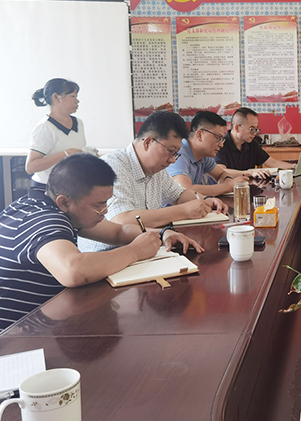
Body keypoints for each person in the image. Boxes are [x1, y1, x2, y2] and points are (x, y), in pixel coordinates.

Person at [0, 153, 202, 332]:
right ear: (64, 202)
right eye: (99, 205)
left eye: (107, 202)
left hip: (41, 318)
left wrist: (163, 233)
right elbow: (74, 271)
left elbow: (118, 231)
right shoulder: (46, 220)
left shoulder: (46, 205)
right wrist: (135, 251)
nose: (105, 211)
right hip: (15, 335)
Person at [78, 111, 227, 252]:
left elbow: (178, 195)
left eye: (176, 154)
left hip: (145, 249)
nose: (173, 160)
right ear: (148, 142)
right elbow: (121, 221)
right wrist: (183, 211)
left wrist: (205, 200)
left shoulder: (156, 168)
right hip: (107, 254)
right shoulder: (113, 166)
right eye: (171, 151)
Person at [166, 111, 255, 196]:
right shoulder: (179, 153)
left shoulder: (203, 156)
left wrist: (228, 181)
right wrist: (228, 186)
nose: (221, 145)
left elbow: (221, 174)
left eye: (222, 139)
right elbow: (185, 190)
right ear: (199, 135)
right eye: (218, 138)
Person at [26, 78, 88, 191]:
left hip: (72, 185)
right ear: (56, 97)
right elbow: (31, 167)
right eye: (73, 96)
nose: (77, 101)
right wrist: (65, 154)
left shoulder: (78, 122)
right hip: (47, 188)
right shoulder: (45, 128)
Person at [215, 107, 293, 174]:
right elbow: (221, 171)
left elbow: (272, 162)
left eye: (256, 129)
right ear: (237, 128)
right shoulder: (220, 144)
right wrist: (249, 173)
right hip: (225, 186)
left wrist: (294, 166)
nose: (255, 134)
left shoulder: (251, 144)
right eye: (252, 129)